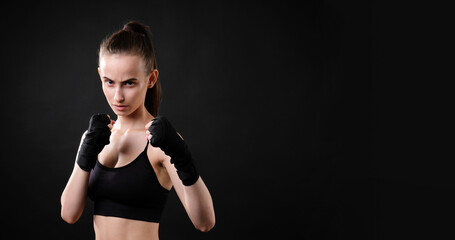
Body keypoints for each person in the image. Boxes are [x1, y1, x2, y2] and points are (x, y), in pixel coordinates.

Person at [60, 21, 215, 239]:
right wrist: (85, 155)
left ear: (151, 79)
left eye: (129, 83)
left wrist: (181, 156)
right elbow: (69, 214)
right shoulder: (94, 137)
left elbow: (205, 222)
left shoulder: (160, 143)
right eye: (109, 82)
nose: (118, 96)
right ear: (100, 76)